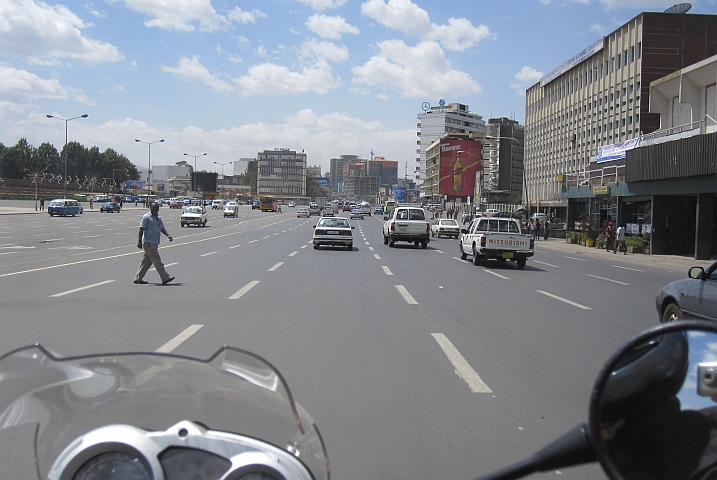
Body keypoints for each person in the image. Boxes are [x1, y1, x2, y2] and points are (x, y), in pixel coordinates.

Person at [134, 202, 174, 285]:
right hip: (148, 242)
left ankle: (138, 278)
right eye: (153, 208)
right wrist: (139, 241)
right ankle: (165, 277)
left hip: (155, 242)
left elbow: (162, 228)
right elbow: (141, 229)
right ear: (150, 208)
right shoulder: (146, 217)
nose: (155, 209)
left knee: (146, 262)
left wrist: (168, 235)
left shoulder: (158, 218)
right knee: (157, 261)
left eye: (156, 208)